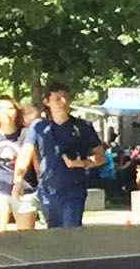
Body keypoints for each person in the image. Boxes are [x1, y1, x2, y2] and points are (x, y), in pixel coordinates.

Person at [28, 85, 100, 229]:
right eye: (57, 99)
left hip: (74, 189)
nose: (63, 102)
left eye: (66, 98)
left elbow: (100, 157)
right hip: (48, 190)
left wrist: (82, 163)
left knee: (70, 231)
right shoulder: (39, 126)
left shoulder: (82, 126)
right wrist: (19, 179)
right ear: (47, 102)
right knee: (54, 232)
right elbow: (27, 152)